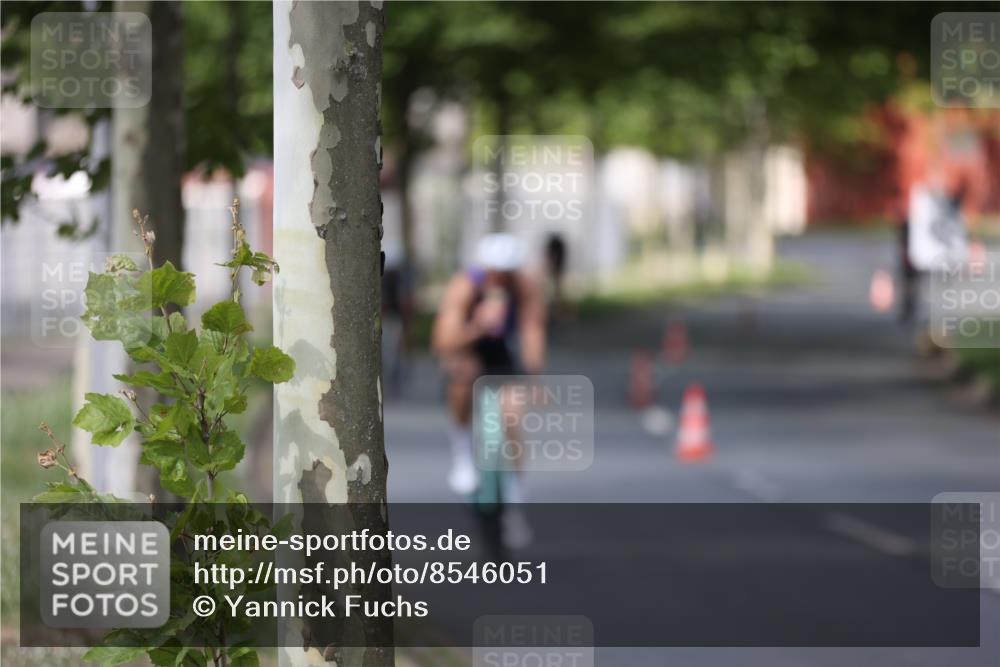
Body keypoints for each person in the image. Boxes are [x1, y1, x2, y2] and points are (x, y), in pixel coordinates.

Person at [432, 233, 546, 551]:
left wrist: (534, 378)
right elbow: (442, 341)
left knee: (513, 411)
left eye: (506, 273)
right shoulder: (465, 286)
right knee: (460, 378)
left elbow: (532, 329)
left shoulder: (523, 286)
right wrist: (479, 326)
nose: (500, 279)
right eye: (494, 272)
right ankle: (461, 450)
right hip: (468, 347)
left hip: (502, 356)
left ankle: (515, 494)